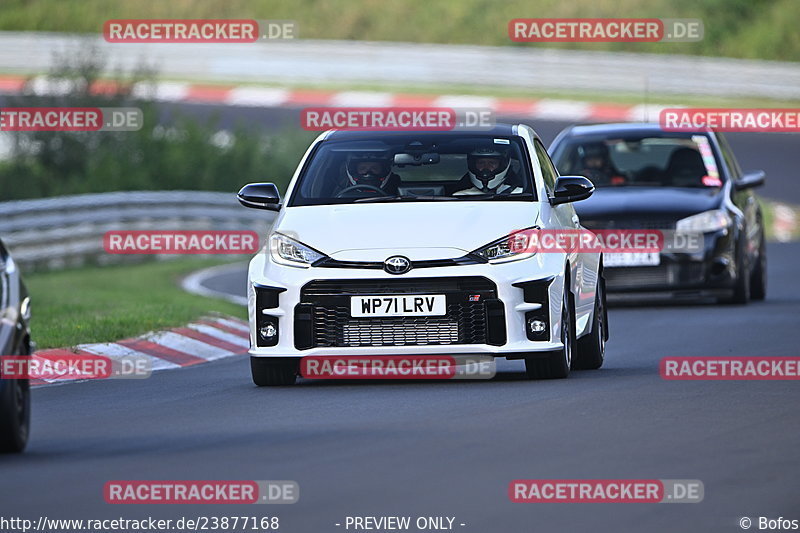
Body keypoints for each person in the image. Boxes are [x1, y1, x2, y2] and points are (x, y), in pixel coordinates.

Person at [453, 147, 523, 195]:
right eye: (481, 163)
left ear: (502, 165)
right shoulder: (460, 196)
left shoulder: (520, 194)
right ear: (473, 165)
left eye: (492, 163)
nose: (486, 167)